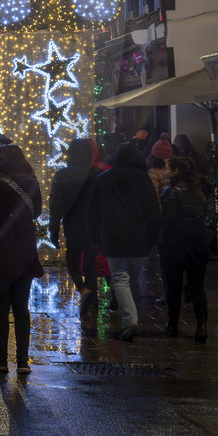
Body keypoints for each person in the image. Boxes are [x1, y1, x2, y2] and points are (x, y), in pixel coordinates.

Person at [0, 144, 43, 375]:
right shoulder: (32, 183)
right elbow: (37, 213)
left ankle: (1, 360)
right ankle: (23, 362)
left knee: (0, 308)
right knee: (22, 308)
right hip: (24, 251)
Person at [86, 143, 159, 341]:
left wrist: (94, 239)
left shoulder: (102, 180)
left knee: (120, 278)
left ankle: (130, 320)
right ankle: (131, 318)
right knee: (132, 279)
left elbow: (93, 212)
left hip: (113, 237)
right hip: (138, 238)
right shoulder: (142, 179)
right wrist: (153, 238)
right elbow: (152, 211)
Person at [49, 138, 99, 333]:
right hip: (93, 226)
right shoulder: (97, 174)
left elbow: (56, 205)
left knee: (72, 262)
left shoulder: (62, 174)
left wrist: (53, 230)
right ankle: (93, 299)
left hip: (73, 226)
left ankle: (82, 289)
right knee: (90, 264)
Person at [157, 156, 208, 342]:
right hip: (198, 242)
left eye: (168, 168)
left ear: (176, 172)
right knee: (197, 286)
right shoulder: (198, 191)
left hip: (176, 244)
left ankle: (172, 325)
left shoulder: (169, 192)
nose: (164, 171)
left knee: (174, 287)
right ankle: (202, 326)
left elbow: (169, 220)